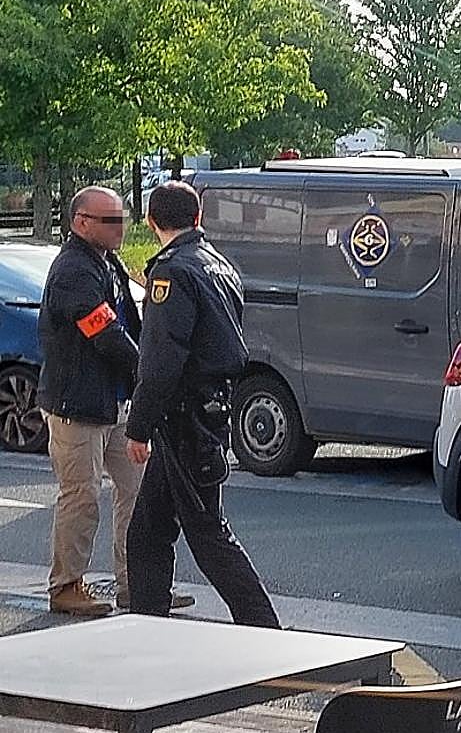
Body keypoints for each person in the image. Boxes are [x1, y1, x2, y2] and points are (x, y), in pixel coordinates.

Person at [124, 182, 280, 628]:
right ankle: (146, 624)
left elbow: (160, 360)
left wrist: (138, 426)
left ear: (151, 222)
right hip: (207, 407)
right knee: (148, 532)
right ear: (199, 218)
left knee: (209, 534)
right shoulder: (216, 263)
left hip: (184, 414)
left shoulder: (171, 272)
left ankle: (264, 630)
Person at [37, 187, 193, 616]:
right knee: (81, 495)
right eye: (108, 221)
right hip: (78, 406)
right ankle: (66, 585)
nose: (118, 227)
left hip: (115, 402)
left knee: (137, 494)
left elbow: (134, 321)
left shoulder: (107, 262)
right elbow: (103, 332)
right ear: (80, 222)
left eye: (120, 218)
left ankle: (136, 586)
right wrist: (149, 370)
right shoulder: (73, 270)